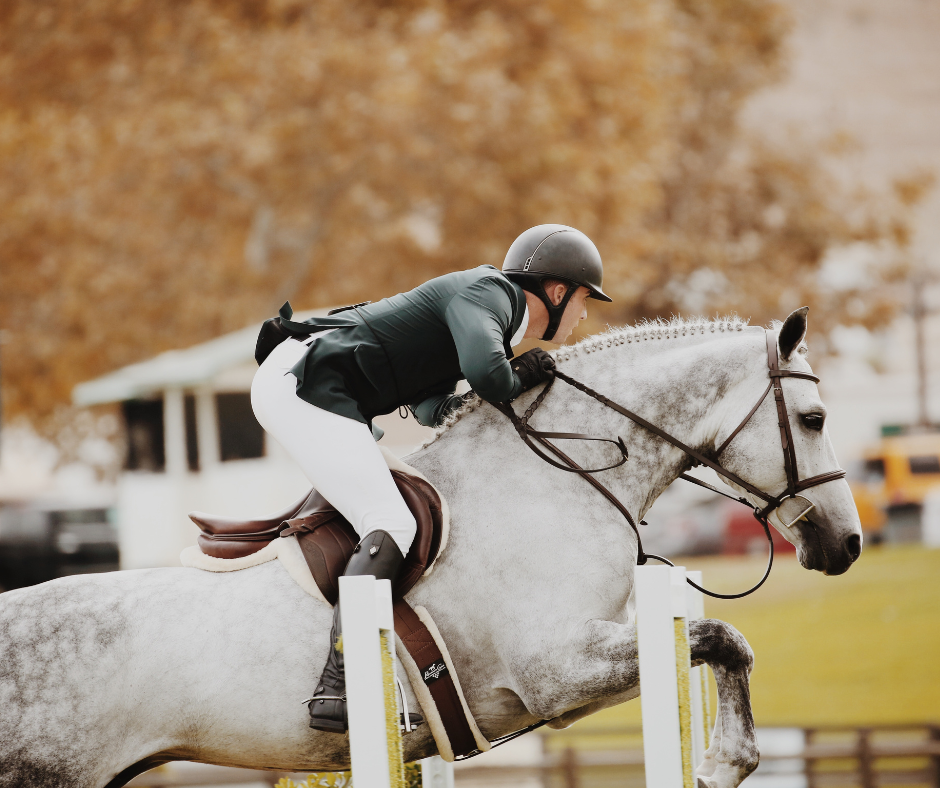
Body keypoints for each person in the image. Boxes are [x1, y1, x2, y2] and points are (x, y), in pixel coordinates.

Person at [249, 224, 611, 733]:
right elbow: (490, 377)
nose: (585, 313)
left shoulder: (491, 314)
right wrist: (528, 370)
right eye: (585, 299)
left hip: (314, 383)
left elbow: (429, 405)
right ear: (557, 292)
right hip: (305, 383)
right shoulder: (491, 295)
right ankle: (340, 683)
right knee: (392, 523)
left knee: (393, 516)